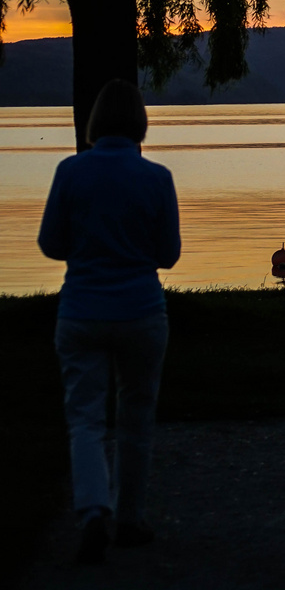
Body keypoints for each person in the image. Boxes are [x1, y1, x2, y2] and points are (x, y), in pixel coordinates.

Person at [37, 79, 181, 565]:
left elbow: (51, 244)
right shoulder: (157, 178)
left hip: (81, 310)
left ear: (94, 124)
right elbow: (168, 254)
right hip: (141, 312)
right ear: (140, 123)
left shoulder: (70, 172)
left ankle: (93, 510)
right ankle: (129, 518)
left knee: (84, 418)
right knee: (137, 415)